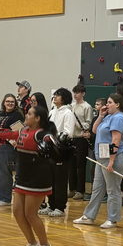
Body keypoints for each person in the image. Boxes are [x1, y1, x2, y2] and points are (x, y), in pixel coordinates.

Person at [0, 106, 57, 246]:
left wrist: (54, 147)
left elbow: (56, 150)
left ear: (37, 119)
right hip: (23, 177)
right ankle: (32, 243)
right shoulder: (23, 131)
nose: (26, 116)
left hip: (38, 179)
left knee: (30, 214)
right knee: (17, 212)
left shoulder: (43, 135)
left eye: (29, 114)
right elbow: (10, 134)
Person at [72, 93, 123, 229]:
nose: (106, 105)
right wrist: (100, 115)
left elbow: (115, 140)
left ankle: (112, 219)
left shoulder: (119, 118)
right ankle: (89, 216)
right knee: (97, 188)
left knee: (112, 189)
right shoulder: (108, 116)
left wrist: (111, 161)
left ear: (117, 104)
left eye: (109, 103)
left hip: (114, 157)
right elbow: (95, 130)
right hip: (102, 157)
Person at [0, 94, 24, 206]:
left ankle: (5, 198)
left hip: (6, 147)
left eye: (12, 102)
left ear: (15, 104)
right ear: (4, 102)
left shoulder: (17, 115)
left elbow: (17, 131)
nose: (10, 103)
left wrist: (0, 133)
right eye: (8, 101)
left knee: (3, 172)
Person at [46, 88, 77, 217]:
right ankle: (51, 205)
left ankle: (60, 207)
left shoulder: (68, 113)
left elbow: (68, 133)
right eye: (55, 95)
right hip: (50, 150)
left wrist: (55, 139)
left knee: (60, 179)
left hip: (61, 150)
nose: (55, 97)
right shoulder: (52, 112)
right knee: (50, 179)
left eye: (58, 95)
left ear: (64, 98)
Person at [70, 85, 95, 200]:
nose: (75, 94)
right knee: (71, 165)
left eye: (78, 92)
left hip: (81, 138)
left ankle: (80, 190)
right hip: (71, 138)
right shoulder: (71, 106)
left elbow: (88, 125)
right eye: (74, 92)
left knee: (80, 165)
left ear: (83, 93)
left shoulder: (87, 107)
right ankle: (72, 189)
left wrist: (76, 124)